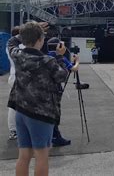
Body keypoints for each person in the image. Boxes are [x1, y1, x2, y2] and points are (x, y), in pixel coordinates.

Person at [7, 21, 68, 176]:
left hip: (21, 111)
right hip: (41, 115)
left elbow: (11, 41)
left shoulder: (17, 55)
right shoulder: (47, 61)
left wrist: (26, 31)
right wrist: (61, 56)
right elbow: (62, 75)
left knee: (24, 155)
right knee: (41, 156)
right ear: (40, 40)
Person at [47, 37, 80, 147]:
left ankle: (50, 135)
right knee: (55, 113)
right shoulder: (60, 58)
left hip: (44, 89)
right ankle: (56, 137)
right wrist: (77, 62)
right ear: (59, 47)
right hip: (56, 89)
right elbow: (74, 69)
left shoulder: (45, 56)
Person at [6, 26, 21, 140]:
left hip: (14, 76)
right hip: (19, 77)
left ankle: (14, 130)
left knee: (15, 105)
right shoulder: (20, 47)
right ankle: (13, 130)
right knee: (15, 106)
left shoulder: (10, 46)